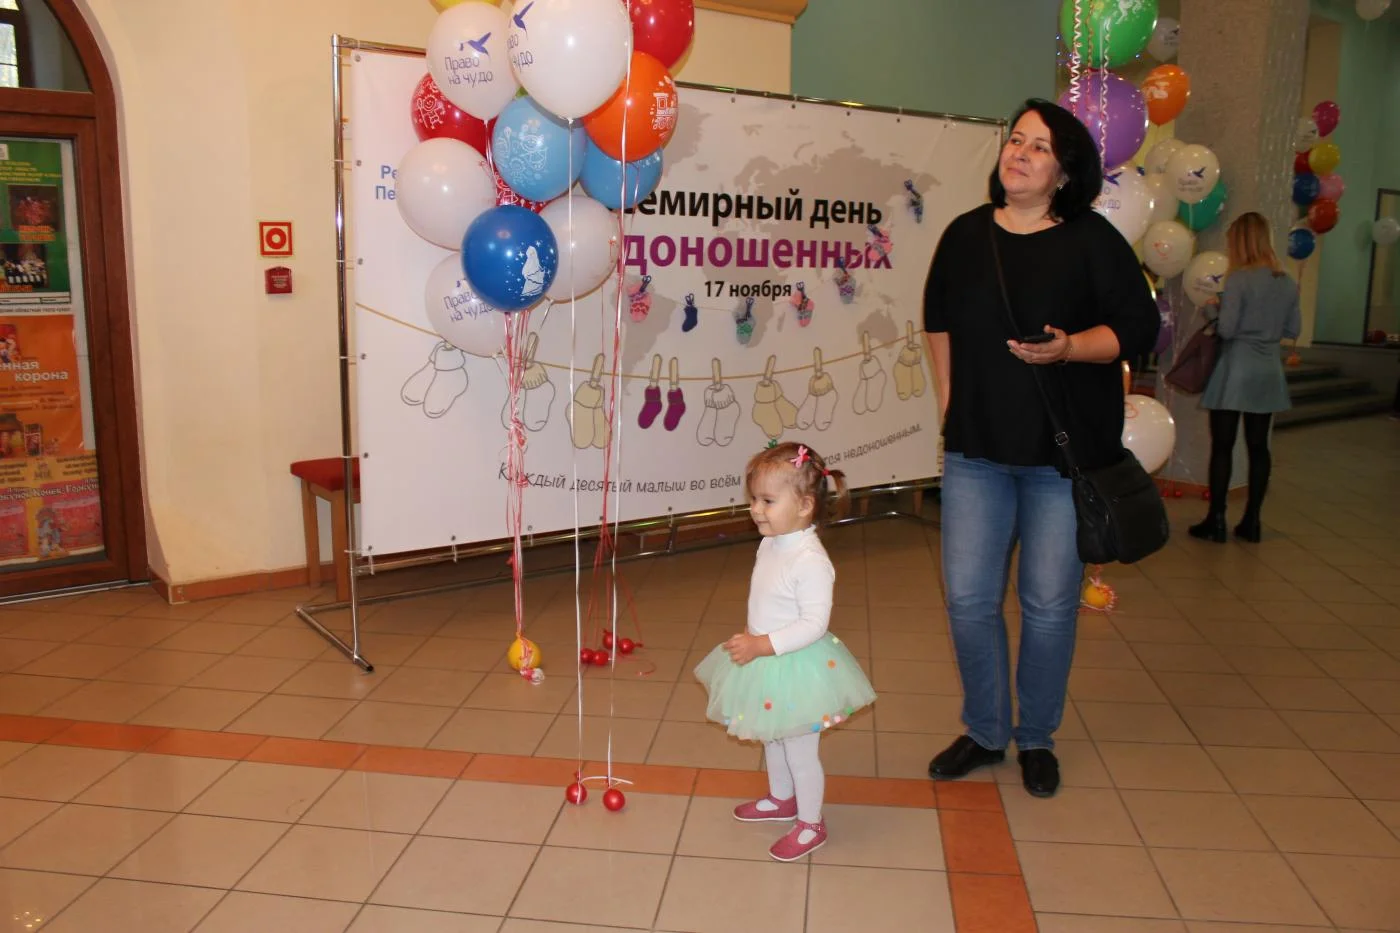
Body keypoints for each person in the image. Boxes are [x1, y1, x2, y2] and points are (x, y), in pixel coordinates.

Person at [922, 99, 1159, 798]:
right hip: (976, 452)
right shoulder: (966, 234)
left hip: (1063, 459)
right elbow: (937, 320)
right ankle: (986, 730)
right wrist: (949, 401)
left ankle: (1036, 737)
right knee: (970, 601)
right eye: (1016, 140)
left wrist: (1070, 348)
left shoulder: (1092, 240)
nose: (1020, 153)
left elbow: (1138, 328)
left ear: (1065, 171)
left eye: (1039, 147)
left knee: (1049, 605)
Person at [694, 441, 875, 861]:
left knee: (799, 751)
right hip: (767, 659)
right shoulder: (772, 541)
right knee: (771, 737)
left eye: (768, 501)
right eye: (754, 499)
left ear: (805, 505)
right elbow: (768, 597)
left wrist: (762, 643)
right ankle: (782, 798)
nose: (756, 510)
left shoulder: (810, 560)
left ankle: (811, 823)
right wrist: (753, 632)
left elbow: (814, 624)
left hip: (795, 666)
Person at [1189, 212, 1301, 544]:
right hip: (1268, 369)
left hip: (1235, 368)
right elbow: (1293, 328)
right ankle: (1252, 521)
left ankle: (1216, 520)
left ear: (1239, 242)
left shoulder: (1239, 279)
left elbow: (1226, 329)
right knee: (1259, 447)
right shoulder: (1287, 281)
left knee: (1222, 446)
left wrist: (1212, 308)